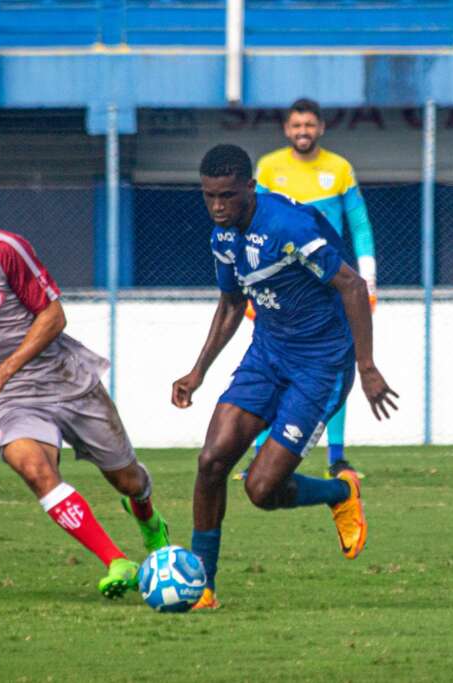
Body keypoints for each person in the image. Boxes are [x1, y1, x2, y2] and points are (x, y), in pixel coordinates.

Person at [0, 187, 169, 600]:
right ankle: (117, 561)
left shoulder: (6, 251)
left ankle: (150, 522)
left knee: (127, 480)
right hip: (12, 398)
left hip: (65, 377)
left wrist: (1, 371)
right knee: (34, 469)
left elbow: (54, 316)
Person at [172, 145, 398, 609]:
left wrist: (367, 367)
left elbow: (353, 286)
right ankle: (202, 587)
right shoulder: (223, 236)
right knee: (211, 462)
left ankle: (341, 491)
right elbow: (232, 304)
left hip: (320, 365)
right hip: (267, 355)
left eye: (227, 196)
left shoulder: (287, 227)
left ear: (250, 187)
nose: (217, 206)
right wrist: (198, 371)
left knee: (261, 490)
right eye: (209, 196)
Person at [240, 97, 378, 480]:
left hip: (330, 280)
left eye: (309, 125)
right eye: (297, 125)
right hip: (282, 284)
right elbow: (252, 227)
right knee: (271, 363)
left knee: (337, 363)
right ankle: (259, 454)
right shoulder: (269, 167)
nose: (303, 131)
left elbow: (360, 226)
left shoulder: (339, 169)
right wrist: (251, 287)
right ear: (287, 129)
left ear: (321, 128)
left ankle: (338, 457)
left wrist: (368, 280)